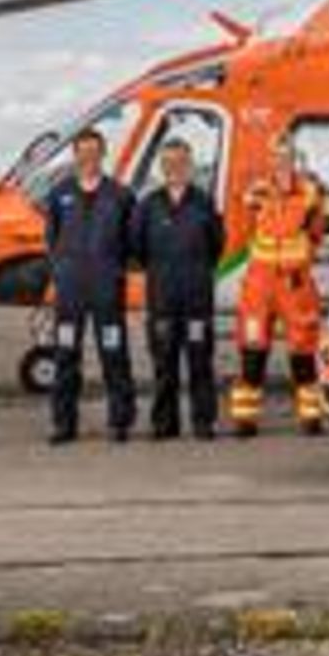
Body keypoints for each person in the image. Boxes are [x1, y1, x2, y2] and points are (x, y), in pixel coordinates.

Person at [42, 127, 136, 445]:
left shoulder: (121, 195)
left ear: (103, 153)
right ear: (75, 154)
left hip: (107, 290)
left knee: (114, 354)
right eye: (83, 150)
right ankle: (63, 425)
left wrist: (114, 271)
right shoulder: (59, 194)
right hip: (70, 292)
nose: (89, 156)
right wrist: (62, 271)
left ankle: (119, 422)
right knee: (66, 355)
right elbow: (52, 240)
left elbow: (130, 242)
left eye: (95, 150)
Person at [130, 139, 225, 441]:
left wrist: (194, 271)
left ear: (190, 165)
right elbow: (137, 248)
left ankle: (203, 423)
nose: (175, 168)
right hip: (162, 301)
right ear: (162, 166)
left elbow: (216, 246)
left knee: (200, 363)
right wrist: (162, 272)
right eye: (169, 163)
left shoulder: (204, 203)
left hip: (197, 301)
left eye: (181, 162)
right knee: (164, 365)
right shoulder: (148, 205)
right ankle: (164, 425)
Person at [232, 134, 326, 436]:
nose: (280, 161)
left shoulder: (311, 193)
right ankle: (245, 418)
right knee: (252, 347)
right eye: (275, 156)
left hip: (295, 283)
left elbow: (316, 234)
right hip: (259, 282)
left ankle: (311, 417)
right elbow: (243, 231)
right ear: (270, 160)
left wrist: (299, 261)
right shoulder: (255, 193)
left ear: (294, 158)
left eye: (286, 155)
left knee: (302, 348)